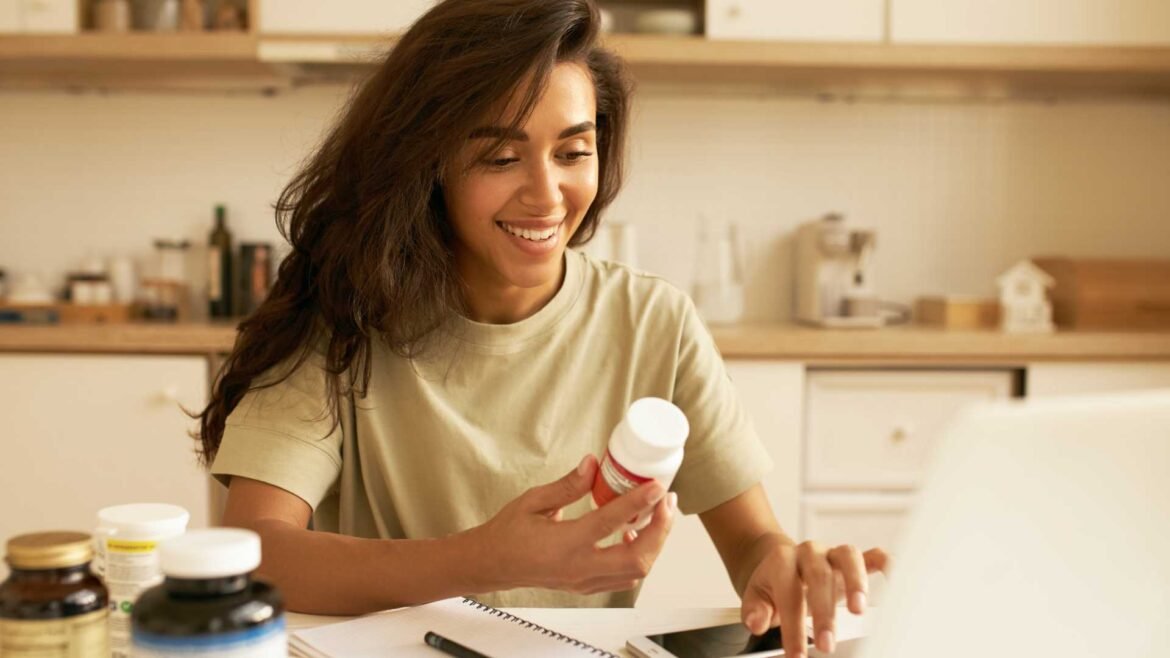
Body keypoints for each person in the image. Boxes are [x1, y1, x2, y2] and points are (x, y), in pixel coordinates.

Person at [196, 1, 887, 656]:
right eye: (500, 157)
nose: (546, 193)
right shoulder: (342, 316)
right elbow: (258, 552)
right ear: (428, 162)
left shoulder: (654, 322)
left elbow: (754, 544)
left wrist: (790, 568)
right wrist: (484, 559)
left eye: (572, 151)